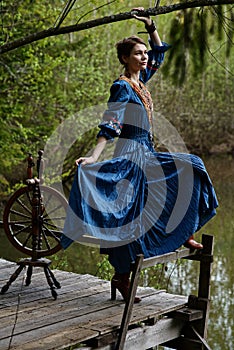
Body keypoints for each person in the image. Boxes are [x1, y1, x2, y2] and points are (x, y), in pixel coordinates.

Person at [60, 8, 218, 303]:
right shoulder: (122, 86)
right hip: (131, 154)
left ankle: (182, 230)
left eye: (144, 53)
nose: (144, 57)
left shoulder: (141, 81)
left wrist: (150, 25)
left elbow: (159, 54)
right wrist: (95, 155)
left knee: (183, 175)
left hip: (147, 150)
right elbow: (112, 122)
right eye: (137, 53)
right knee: (133, 211)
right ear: (124, 58)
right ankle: (122, 274)